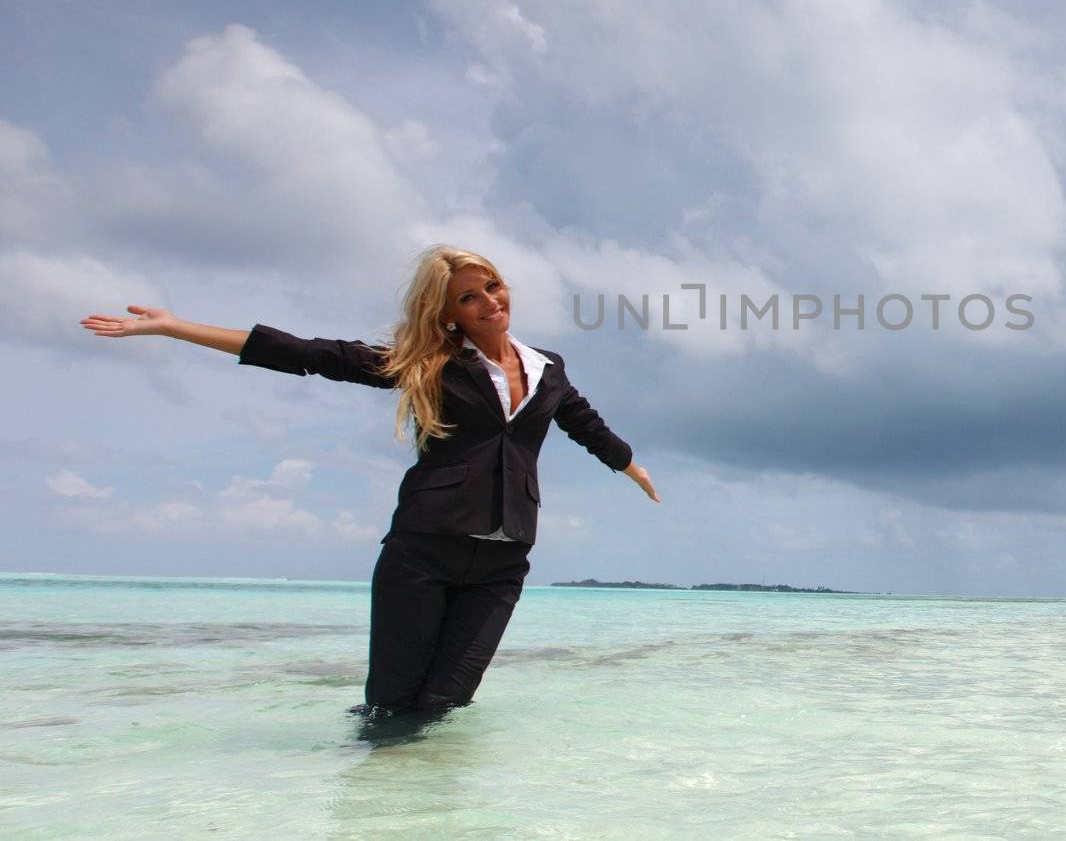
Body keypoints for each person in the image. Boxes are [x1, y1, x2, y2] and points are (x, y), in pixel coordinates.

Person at [80, 244, 658, 718]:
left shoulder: (546, 367)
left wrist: (631, 465)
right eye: (468, 297)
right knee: (390, 704)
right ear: (447, 311)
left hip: (504, 561)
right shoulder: (427, 362)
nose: (489, 302)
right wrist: (175, 327)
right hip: (424, 550)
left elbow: (582, 421)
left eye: (494, 287)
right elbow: (312, 355)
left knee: (446, 702)